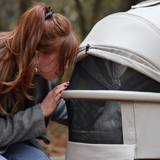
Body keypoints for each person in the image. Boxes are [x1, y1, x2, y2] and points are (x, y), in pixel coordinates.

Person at [0, 3, 79, 160]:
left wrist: (100, 115)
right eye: (61, 59)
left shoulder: (39, 68)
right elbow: (45, 107)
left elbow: (60, 109)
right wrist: (41, 111)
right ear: (38, 55)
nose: (66, 66)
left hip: (10, 142)